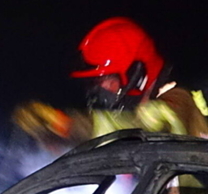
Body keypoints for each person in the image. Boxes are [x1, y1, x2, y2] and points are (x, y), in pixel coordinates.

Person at [13, 17, 208, 148]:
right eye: (95, 83)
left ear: (137, 74)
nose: (100, 90)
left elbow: (145, 126)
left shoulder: (180, 99)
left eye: (107, 80)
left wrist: (67, 125)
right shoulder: (147, 111)